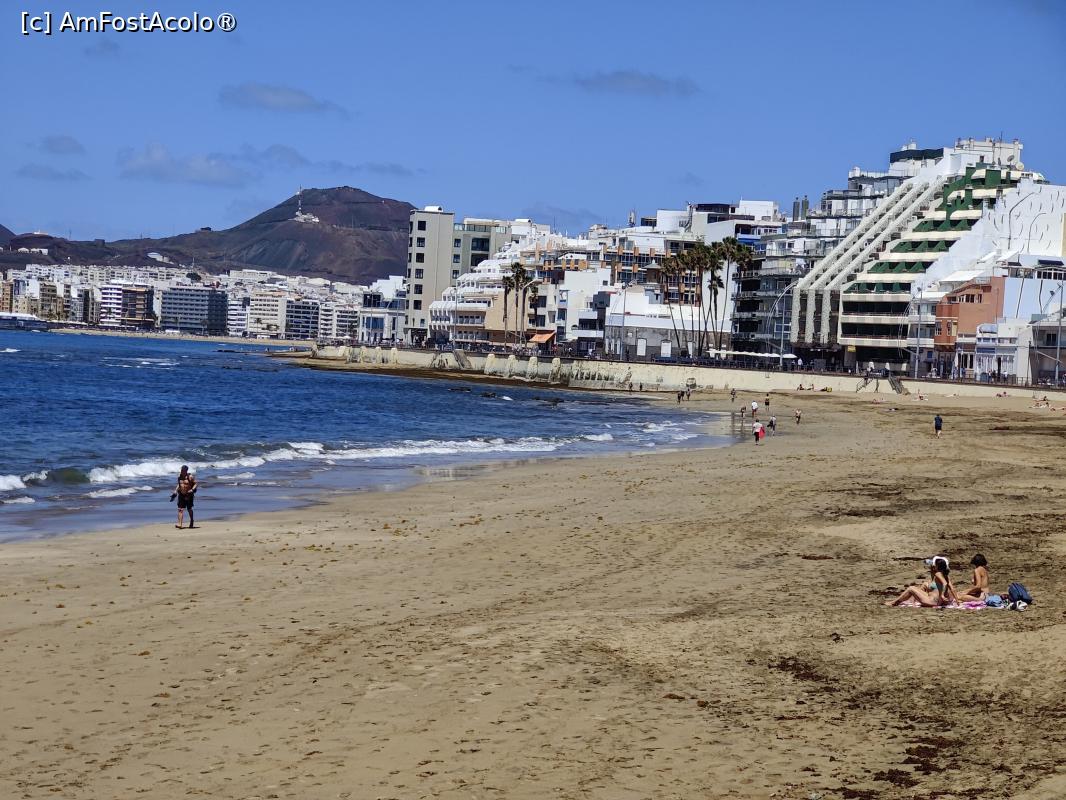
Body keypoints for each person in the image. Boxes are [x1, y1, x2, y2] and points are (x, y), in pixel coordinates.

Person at [885, 556, 958, 607]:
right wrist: (957, 601)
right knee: (919, 588)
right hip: (935, 601)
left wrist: (942, 595)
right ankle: (909, 601)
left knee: (911, 588)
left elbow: (945, 584)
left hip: (932, 601)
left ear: (937, 566)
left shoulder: (938, 574)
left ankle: (894, 603)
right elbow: (952, 589)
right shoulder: (946, 575)